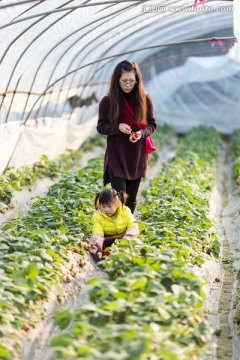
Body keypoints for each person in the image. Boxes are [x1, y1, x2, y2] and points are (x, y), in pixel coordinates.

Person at [97, 60, 157, 214]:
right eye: (124, 81)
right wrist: (118, 127)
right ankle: (116, 229)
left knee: (131, 199)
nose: (128, 84)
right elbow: (101, 126)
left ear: (137, 80)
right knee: (118, 198)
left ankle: (127, 231)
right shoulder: (108, 101)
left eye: (131, 81)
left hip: (137, 155)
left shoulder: (145, 99)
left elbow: (151, 124)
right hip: (116, 155)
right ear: (117, 80)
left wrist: (141, 133)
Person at [87, 188, 139, 254]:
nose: (106, 210)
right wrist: (95, 245)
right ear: (100, 206)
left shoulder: (125, 211)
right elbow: (97, 232)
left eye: (109, 206)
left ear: (117, 204)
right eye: (103, 207)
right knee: (107, 243)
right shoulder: (98, 216)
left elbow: (133, 225)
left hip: (123, 237)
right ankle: (106, 256)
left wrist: (128, 238)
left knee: (129, 244)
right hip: (108, 238)